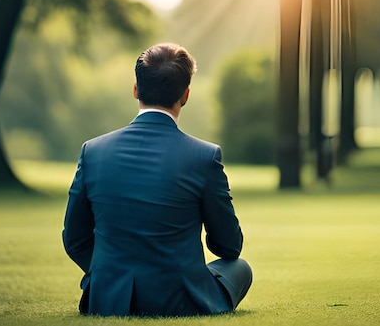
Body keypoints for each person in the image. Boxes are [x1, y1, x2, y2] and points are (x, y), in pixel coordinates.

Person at [62, 43, 252, 317]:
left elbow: (74, 238)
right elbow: (228, 247)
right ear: (185, 95)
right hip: (180, 298)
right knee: (240, 267)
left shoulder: (93, 151)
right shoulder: (204, 156)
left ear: (136, 90)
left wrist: (114, 273)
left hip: (110, 298)